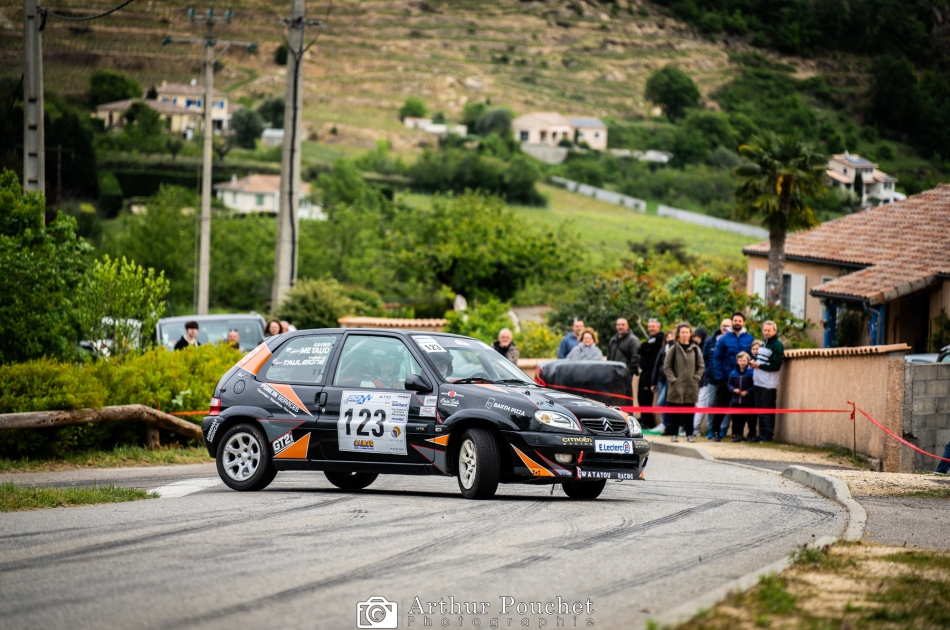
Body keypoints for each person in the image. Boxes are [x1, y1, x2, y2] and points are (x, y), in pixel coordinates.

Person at [711, 312, 754, 442]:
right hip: (727, 377)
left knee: (739, 407)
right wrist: (720, 377)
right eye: (735, 320)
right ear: (732, 322)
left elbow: (752, 356)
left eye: (740, 321)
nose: (737, 323)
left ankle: (737, 433)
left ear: (743, 322)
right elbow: (717, 358)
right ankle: (715, 432)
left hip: (744, 379)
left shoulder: (749, 339)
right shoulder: (723, 339)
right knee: (721, 405)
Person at [662, 322, 704, 442]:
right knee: (675, 413)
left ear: (690, 334)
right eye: (682, 332)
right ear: (679, 334)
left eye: (687, 332)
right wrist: (673, 380)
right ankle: (674, 434)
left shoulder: (695, 349)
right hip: (676, 386)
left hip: (691, 386)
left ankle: (689, 434)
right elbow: (667, 367)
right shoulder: (673, 349)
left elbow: (701, 366)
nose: (685, 334)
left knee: (689, 412)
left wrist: (696, 378)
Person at [749, 320, 784, 443]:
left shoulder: (777, 345)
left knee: (767, 410)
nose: (766, 332)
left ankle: (768, 435)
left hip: (769, 384)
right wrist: (754, 364)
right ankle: (762, 433)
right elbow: (761, 361)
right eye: (765, 330)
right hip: (758, 382)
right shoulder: (763, 343)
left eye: (769, 330)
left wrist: (759, 366)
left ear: (775, 331)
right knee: (759, 410)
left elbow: (776, 366)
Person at [703, 319, 731, 439]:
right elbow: (704, 358)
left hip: (728, 379)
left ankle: (723, 429)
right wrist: (708, 371)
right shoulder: (710, 341)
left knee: (726, 405)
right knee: (711, 403)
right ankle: (710, 429)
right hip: (713, 379)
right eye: (724, 325)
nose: (725, 328)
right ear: (720, 326)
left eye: (728, 326)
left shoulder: (732, 341)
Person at [637, 318, 665, 428]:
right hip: (644, 372)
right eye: (649, 327)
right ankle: (644, 417)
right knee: (641, 396)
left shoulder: (660, 337)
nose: (651, 329)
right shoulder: (651, 339)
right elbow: (640, 349)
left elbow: (644, 347)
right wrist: (645, 347)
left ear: (658, 327)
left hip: (651, 373)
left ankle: (648, 421)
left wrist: (645, 347)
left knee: (646, 397)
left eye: (653, 326)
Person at [729, 351, 756, 441]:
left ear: (748, 361)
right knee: (737, 420)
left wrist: (747, 391)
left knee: (751, 420)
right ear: (737, 361)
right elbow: (729, 385)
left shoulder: (751, 373)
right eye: (740, 360)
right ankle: (738, 434)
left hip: (748, 401)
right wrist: (734, 389)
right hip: (737, 401)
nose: (742, 362)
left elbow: (754, 385)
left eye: (744, 360)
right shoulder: (733, 373)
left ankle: (752, 435)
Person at [652, 330, 675, 434]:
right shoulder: (663, 349)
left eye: (672, 337)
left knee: (662, 402)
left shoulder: (676, 349)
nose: (670, 339)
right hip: (661, 378)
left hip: (670, 380)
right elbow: (657, 365)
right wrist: (653, 382)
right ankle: (665, 423)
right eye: (668, 337)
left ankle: (668, 424)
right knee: (662, 403)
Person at [691, 327, 708, 438]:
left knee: (701, 403)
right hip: (699, 380)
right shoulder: (696, 347)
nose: (696, 339)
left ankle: (694, 428)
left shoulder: (705, 346)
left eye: (698, 337)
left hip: (706, 379)